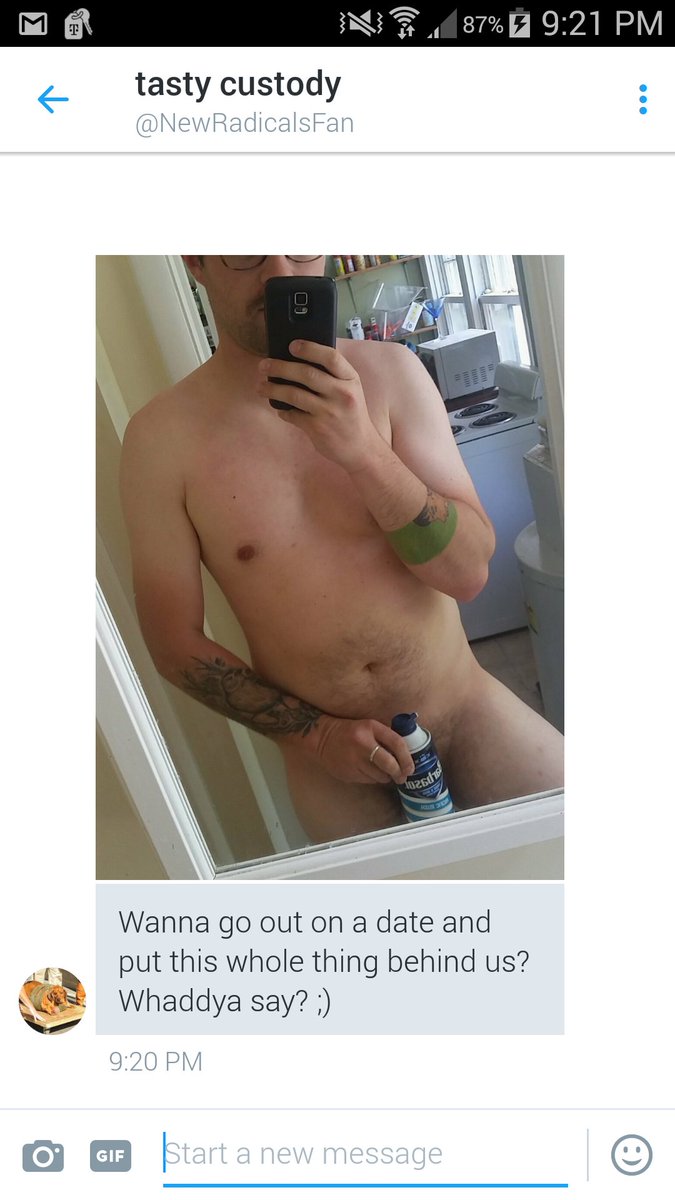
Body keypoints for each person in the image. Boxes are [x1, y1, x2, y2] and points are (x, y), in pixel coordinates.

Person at [120, 255, 563, 845]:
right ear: (197, 262)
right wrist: (317, 736)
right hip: (330, 762)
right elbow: (172, 643)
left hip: (466, 710)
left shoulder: (394, 374)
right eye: (247, 251)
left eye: (300, 246)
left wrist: (363, 451)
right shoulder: (160, 441)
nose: (281, 274)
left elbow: (467, 573)